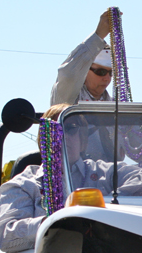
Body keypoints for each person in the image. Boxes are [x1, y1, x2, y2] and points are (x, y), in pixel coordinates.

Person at [0, 104, 142, 253]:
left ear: (82, 139)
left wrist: (107, 204)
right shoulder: (24, 184)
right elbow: (5, 234)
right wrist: (57, 222)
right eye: (53, 130)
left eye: (70, 128)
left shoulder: (103, 171)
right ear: (43, 140)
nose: (62, 136)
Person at [50, 11, 125, 163]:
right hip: (72, 174)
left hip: (112, 176)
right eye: (100, 72)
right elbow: (69, 74)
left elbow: (140, 137)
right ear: (85, 70)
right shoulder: (68, 100)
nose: (107, 78)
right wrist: (99, 35)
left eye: (111, 73)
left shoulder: (117, 108)